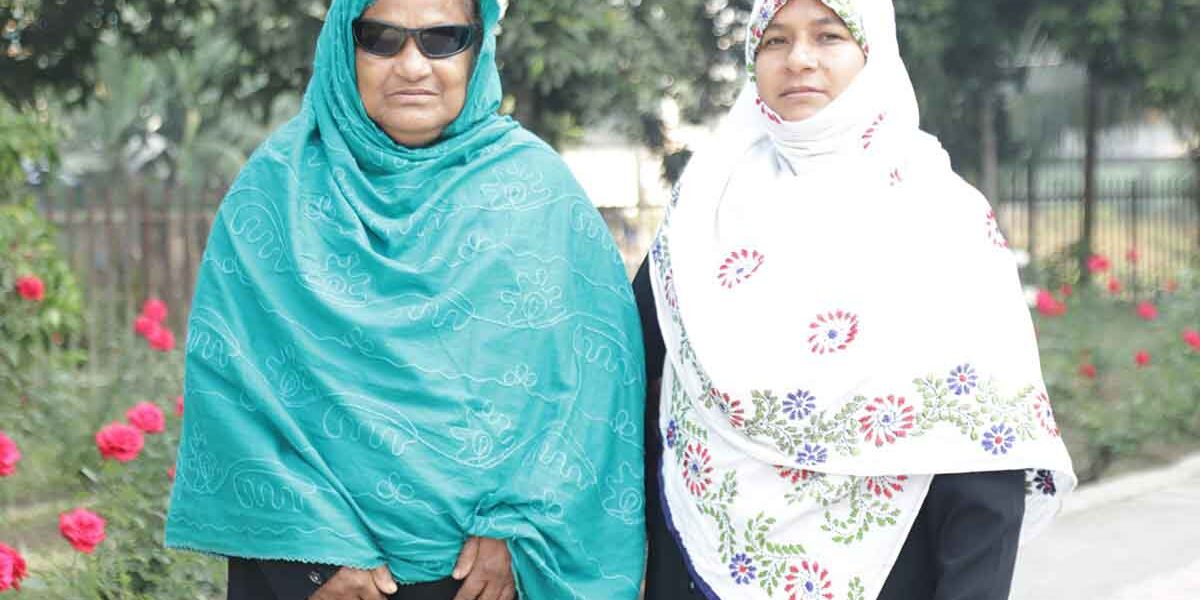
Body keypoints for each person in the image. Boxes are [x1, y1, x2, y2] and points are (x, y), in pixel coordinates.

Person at [164, 0, 647, 598]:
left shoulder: (537, 194)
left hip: (491, 580)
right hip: (318, 577)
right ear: (346, 45)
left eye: (443, 39)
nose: (413, 65)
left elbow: (596, 388)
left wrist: (522, 530)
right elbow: (232, 385)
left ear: (477, 49)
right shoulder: (276, 191)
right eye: (382, 38)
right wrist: (318, 560)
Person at [636, 1, 1076, 598]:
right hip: (696, 570)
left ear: (873, 54)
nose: (799, 61)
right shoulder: (703, 211)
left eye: (829, 36)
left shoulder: (938, 214)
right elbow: (632, 380)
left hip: (894, 570)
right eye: (775, 41)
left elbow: (984, 449)